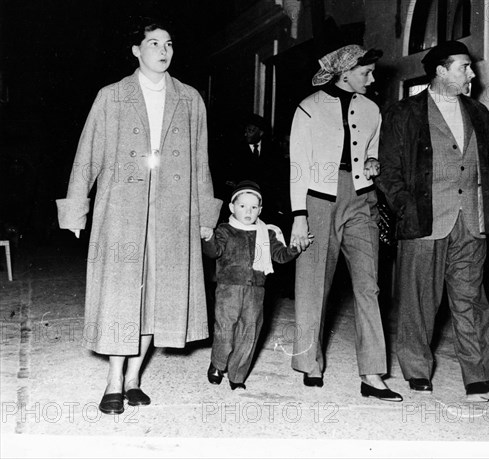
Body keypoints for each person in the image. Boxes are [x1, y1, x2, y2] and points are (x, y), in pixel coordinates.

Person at [56, 18, 222, 414]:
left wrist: (204, 213)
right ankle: (114, 381)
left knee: (159, 293)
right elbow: (88, 154)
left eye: (168, 43)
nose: (162, 51)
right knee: (121, 292)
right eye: (153, 43)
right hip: (123, 207)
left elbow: (201, 161)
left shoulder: (190, 98)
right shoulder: (111, 96)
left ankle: (133, 380)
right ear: (136, 50)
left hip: (172, 207)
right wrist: (76, 208)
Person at [377, 40, 489, 402]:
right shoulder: (404, 113)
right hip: (424, 220)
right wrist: (405, 208)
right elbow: (388, 172)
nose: (472, 74)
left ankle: (480, 380)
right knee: (419, 300)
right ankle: (416, 369)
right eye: (464, 67)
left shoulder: (478, 113)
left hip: (471, 221)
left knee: (471, 300)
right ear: (441, 71)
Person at [289, 44, 402, 402]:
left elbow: (373, 149)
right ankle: (310, 362)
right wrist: (298, 215)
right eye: (366, 72)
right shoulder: (308, 107)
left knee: (369, 284)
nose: (372, 78)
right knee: (313, 283)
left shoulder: (371, 109)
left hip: (361, 198)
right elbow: (297, 167)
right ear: (345, 72)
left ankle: (373, 374)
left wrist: (372, 162)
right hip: (318, 199)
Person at [202, 180, 302, 390]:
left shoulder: (268, 233)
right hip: (228, 290)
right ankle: (218, 364)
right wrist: (209, 237)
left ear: (260, 210)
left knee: (249, 332)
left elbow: (280, 256)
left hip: (255, 292)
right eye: (242, 206)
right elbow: (214, 251)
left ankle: (237, 376)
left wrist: (295, 247)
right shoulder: (225, 230)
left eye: (253, 207)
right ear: (232, 208)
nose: (248, 211)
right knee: (225, 331)